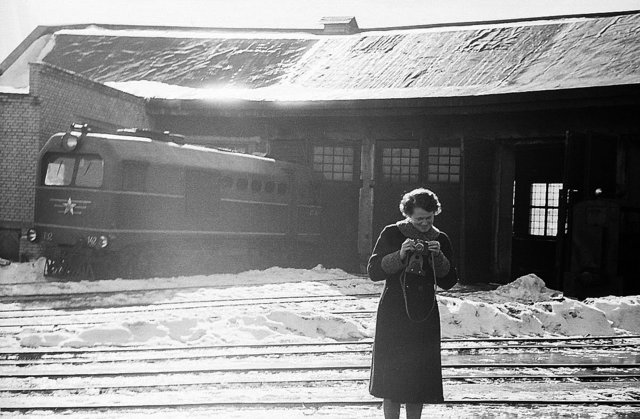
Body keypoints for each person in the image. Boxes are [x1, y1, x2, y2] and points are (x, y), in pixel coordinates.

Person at [368, 188, 458, 419]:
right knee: (392, 379)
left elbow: (449, 281)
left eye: (429, 218)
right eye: (419, 219)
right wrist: (400, 255)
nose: (425, 224)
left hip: (424, 314)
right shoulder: (391, 233)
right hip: (394, 312)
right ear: (408, 215)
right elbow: (373, 271)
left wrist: (438, 257)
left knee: (418, 380)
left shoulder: (441, 239)